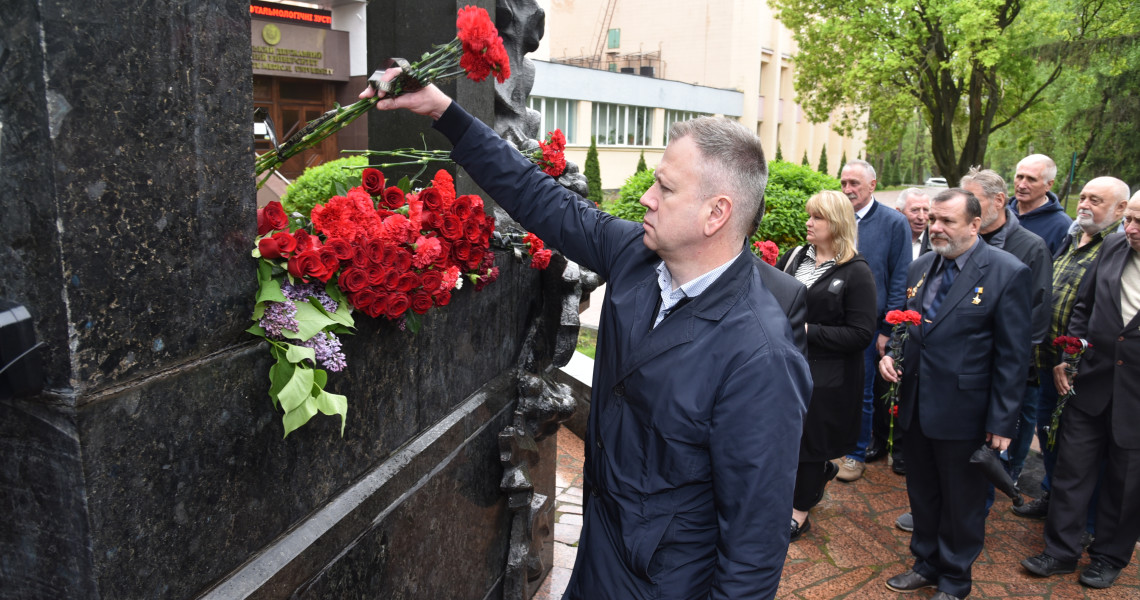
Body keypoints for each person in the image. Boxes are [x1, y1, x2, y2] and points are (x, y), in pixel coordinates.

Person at [360, 76, 812, 599]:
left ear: (717, 213)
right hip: (599, 552)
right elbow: (539, 197)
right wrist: (445, 111)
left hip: (667, 584)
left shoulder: (760, 356)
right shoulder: (637, 257)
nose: (645, 196)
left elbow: (754, 548)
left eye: (665, 188)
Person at [879, 189, 1032, 600]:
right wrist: (893, 357)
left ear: (975, 225)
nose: (936, 229)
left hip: (966, 412)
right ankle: (925, 564)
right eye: (932, 220)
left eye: (947, 221)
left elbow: (1013, 357)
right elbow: (914, 332)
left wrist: (1003, 421)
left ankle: (954, 578)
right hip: (915, 406)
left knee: (962, 503)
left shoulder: (1006, 272)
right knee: (923, 494)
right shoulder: (921, 268)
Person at [1021, 182, 1140, 591]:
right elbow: (1084, 308)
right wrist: (1071, 357)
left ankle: (1108, 557)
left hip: (1137, 397)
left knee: (1125, 484)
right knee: (1072, 470)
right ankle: (1060, 551)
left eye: (1139, 221)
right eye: (1128, 219)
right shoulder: (1114, 248)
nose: (1131, 227)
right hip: (1091, 383)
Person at [776, 191, 877, 541]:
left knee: (809, 443)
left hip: (826, 377)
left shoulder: (855, 271)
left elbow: (861, 334)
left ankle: (799, 511)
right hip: (784, 367)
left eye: (816, 217)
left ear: (836, 224)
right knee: (784, 437)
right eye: (809, 215)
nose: (808, 222)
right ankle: (813, 477)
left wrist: (808, 331)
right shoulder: (793, 258)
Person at [961, 167, 1053, 484]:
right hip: (958, 372)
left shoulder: (1031, 247)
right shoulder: (960, 240)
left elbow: (1035, 321)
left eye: (973, 200)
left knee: (989, 457)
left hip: (999, 375)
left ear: (999, 201)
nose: (966, 209)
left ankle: (988, 501)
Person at [836, 160, 912, 482]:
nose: (848, 189)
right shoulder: (838, 218)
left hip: (869, 324)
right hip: (834, 320)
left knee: (862, 390)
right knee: (835, 386)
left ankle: (855, 454)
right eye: (843, 183)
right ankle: (833, 444)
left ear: (873, 185)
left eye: (855, 183)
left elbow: (900, 278)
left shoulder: (895, 223)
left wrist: (888, 331)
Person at [1008, 154, 1073, 255]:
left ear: (1049, 185)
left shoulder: (1062, 226)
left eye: (1031, 179)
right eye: (1020, 177)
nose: (1021, 185)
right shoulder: (999, 212)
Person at [896, 188, 931, 260]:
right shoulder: (885, 238)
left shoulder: (938, 243)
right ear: (899, 212)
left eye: (925, 210)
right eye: (915, 210)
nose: (921, 217)